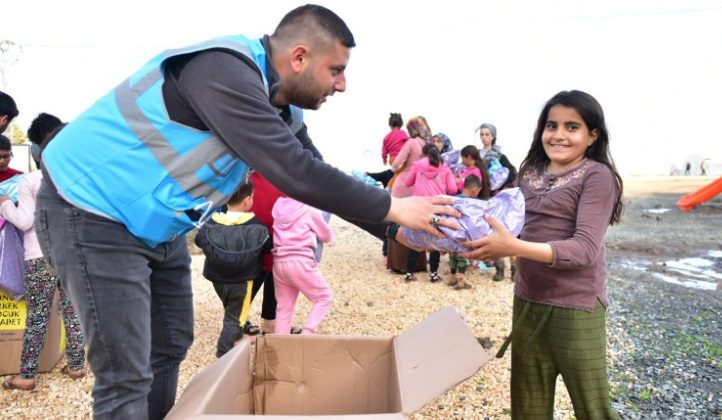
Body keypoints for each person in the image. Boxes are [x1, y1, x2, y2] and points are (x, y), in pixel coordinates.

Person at [35, 5, 458, 419]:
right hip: (89, 211)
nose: (342, 84)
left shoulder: (279, 104)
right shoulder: (223, 71)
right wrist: (397, 206)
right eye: (336, 70)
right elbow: (298, 173)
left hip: (153, 226)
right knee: (124, 373)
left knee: (169, 344)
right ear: (299, 57)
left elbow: (317, 170)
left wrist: (393, 230)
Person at [462, 90, 623, 419]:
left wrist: (514, 248)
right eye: (552, 125)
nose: (559, 135)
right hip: (528, 301)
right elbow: (511, 224)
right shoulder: (531, 172)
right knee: (528, 407)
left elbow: (585, 249)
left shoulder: (597, 176)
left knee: (593, 409)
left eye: (572, 127)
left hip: (576, 307)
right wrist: (469, 237)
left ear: (592, 135)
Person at [1, 123, 86, 391]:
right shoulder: (79, 180)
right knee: (72, 311)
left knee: (37, 314)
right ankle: (76, 365)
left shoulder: (30, 180)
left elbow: (25, 222)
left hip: (39, 256)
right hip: (72, 255)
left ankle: (26, 375)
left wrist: (4, 204)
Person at [194, 181, 270, 358]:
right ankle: (223, 357)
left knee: (231, 311)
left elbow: (199, 241)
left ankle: (238, 338)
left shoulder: (212, 223)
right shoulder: (257, 226)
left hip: (218, 279)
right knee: (234, 319)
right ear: (247, 200)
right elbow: (267, 246)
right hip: (242, 282)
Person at [271, 196, 333, 335]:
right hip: (300, 262)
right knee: (324, 297)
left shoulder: (278, 206)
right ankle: (307, 335)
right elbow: (327, 236)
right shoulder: (309, 209)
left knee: (284, 309)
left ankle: (280, 348)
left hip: (279, 263)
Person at [403, 143, 457, 283]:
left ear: (424, 153)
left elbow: (407, 182)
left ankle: (409, 273)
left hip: (418, 207)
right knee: (434, 241)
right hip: (437, 208)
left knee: (416, 239)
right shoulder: (445, 168)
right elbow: (452, 190)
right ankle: (433, 275)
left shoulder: (417, 165)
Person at [446, 175, 482, 290]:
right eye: (478, 191)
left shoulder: (454, 199)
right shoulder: (471, 203)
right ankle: (461, 281)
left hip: (451, 235)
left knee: (452, 258)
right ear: (474, 189)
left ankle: (452, 278)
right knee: (462, 259)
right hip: (463, 237)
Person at [390, 116, 429, 198]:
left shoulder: (411, 142)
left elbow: (396, 164)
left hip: (404, 184)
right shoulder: (430, 145)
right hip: (421, 187)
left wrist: (393, 168)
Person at [477, 122, 517, 191]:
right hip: (478, 190)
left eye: (487, 134)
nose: (484, 137)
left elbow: (512, 172)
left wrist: (502, 187)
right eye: (482, 134)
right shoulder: (476, 154)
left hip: (494, 191)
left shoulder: (500, 156)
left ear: (493, 136)